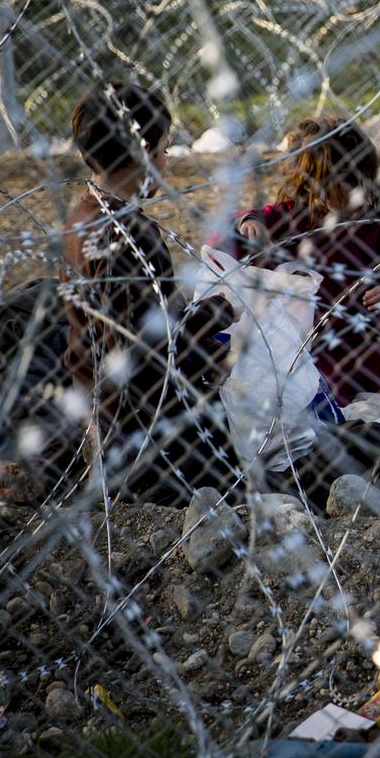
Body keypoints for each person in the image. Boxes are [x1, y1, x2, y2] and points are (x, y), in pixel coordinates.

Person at [60, 83, 238, 502]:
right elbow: (146, 355)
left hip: (103, 411)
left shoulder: (85, 215)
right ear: (143, 154)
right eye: (164, 150)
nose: (166, 162)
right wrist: (216, 316)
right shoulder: (129, 237)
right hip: (148, 436)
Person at [217, 115, 380, 410]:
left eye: (358, 178)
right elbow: (223, 234)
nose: (352, 189)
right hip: (309, 348)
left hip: (369, 343)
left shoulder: (373, 226)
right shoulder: (288, 218)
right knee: (317, 403)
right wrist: (247, 222)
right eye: (340, 181)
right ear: (307, 183)